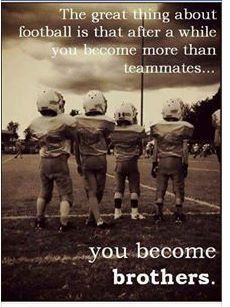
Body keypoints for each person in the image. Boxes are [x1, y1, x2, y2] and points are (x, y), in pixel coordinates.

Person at [28, 89, 77, 232]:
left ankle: (39, 220)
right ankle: (64, 223)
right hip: (59, 161)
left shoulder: (36, 123)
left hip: (44, 162)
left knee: (44, 192)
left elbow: (34, 137)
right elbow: (73, 132)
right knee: (65, 193)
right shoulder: (64, 121)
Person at [75, 90, 115, 228]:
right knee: (98, 191)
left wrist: (78, 163)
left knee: (91, 191)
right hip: (100, 160)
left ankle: (91, 218)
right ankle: (98, 220)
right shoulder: (106, 122)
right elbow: (110, 139)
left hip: (86, 160)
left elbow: (76, 146)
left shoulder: (77, 122)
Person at [150, 99, 194, 223]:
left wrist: (154, 163)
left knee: (160, 187)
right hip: (177, 161)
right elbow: (185, 149)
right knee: (178, 188)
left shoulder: (158, 127)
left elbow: (156, 148)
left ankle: (159, 214)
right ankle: (179, 215)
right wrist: (185, 164)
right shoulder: (183, 127)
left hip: (162, 161)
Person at [110, 103, 145, 220]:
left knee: (118, 188)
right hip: (132, 163)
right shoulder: (136, 130)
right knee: (134, 187)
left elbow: (111, 144)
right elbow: (140, 148)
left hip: (119, 163)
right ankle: (134, 213)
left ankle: (117, 212)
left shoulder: (113, 131)